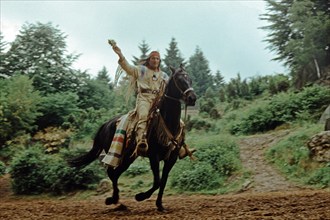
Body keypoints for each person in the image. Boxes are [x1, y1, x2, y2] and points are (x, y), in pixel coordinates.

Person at [102, 41, 194, 167]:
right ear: (149, 60)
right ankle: (141, 142)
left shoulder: (163, 75)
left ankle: (181, 147)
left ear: (159, 61)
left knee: (179, 122)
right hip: (144, 99)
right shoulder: (142, 70)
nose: (155, 60)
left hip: (158, 99)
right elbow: (128, 68)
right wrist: (120, 55)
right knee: (143, 116)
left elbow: (172, 85)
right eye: (153, 58)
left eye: (157, 58)